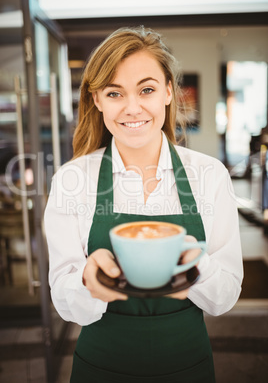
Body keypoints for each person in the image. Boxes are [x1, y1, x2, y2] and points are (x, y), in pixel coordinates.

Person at [44, 26, 243, 382]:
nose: (132, 108)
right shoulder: (72, 181)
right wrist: (89, 282)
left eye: (146, 89)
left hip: (189, 367)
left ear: (168, 91)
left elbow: (224, 297)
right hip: (100, 369)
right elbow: (63, 299)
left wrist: (196, 266)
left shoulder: (210, 176)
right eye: (115, 93)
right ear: (97, 99)